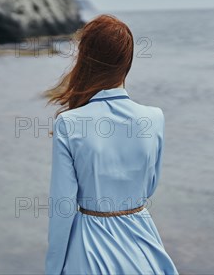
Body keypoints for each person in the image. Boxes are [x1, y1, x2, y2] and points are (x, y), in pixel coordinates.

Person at [44, 14, 179, 274]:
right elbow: (149, 187)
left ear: (84, 59)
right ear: (127, 61)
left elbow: (62, 208)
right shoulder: (154, 118)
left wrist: (53, 269)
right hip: (143, 243)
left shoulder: (69, 124)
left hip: (89, 248)